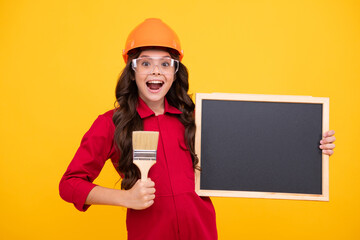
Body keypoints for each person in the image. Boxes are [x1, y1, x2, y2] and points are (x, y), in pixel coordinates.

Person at [59, 18, 336, 240]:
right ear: (132, 71)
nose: (156, 71)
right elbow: (70, 184)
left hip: (202, 233)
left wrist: (310, 146)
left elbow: (258, 146)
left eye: (165, 64)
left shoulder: (198, 116)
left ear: (175, 71)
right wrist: (125, 197)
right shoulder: (111, 123)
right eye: (145, 63)